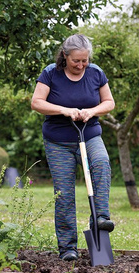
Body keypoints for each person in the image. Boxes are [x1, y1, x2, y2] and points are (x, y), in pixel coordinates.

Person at [31, 34, 116, 261]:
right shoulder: (51, 73)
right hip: (58, 142)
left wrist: (92, 111)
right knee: (65, 195)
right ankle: (68, 248)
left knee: (101, 164)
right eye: (76, 61)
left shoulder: (96, 73)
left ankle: (100, 219)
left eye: (84, 61)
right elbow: (36, 102)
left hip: (89, 136)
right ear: (65, 56)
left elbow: (109, 102)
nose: (81, 65)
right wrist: (64, 110)